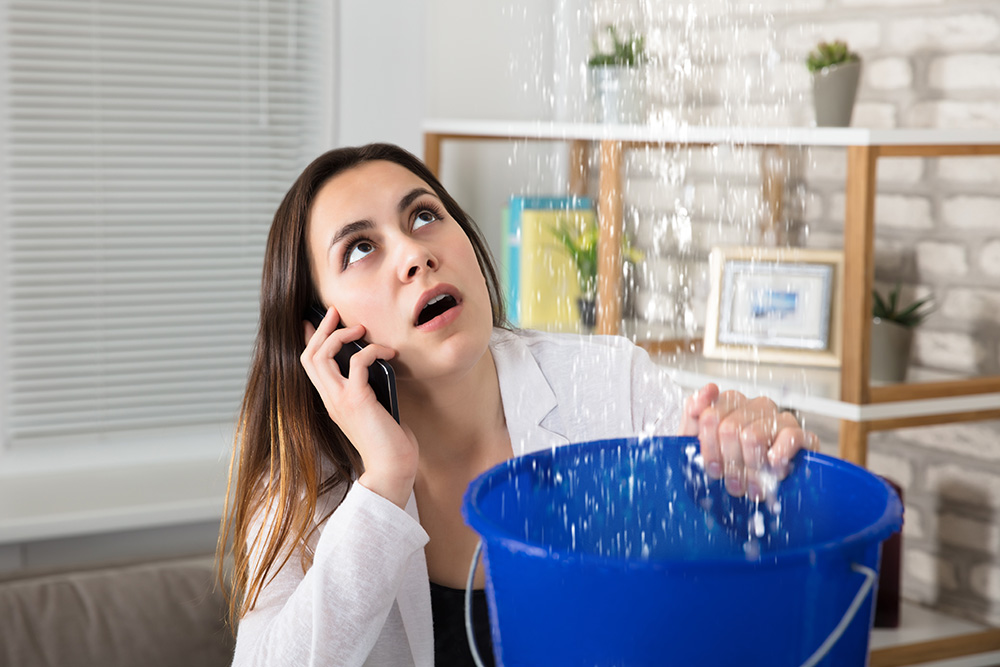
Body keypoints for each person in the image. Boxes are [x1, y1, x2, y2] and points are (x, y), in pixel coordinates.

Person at [218, 143, 818, 667]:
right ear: (320, 335)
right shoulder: (299, 486)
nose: (414, 254)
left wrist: (761, 449)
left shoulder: (610, 383)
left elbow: (761, 539)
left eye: (424, 216)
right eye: (359, 249)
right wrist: (383, 482)